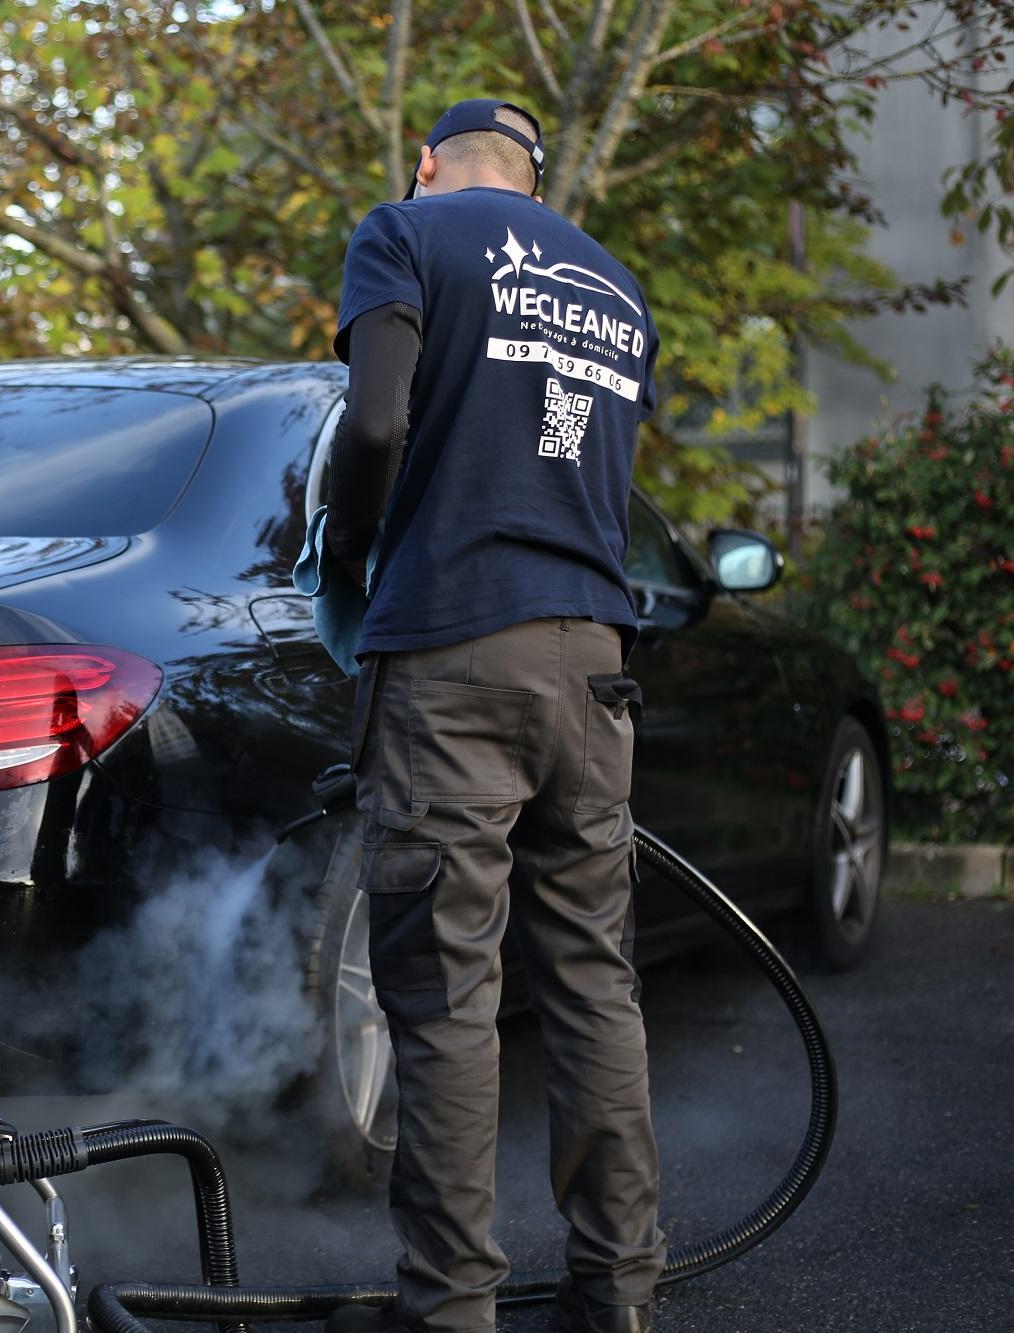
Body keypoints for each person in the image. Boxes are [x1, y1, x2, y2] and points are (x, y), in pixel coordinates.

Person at [320, 100, 665, 1333]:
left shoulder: (403, 233)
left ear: (426, 166)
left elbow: (372, 419)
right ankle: (616, 1293)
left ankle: (449, 1309)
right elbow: (573, 453)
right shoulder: (616, 287)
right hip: (591, 661)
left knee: (447, 994)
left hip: (452, 651)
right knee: (590, 983)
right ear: (537, 177)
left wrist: (347, 554)